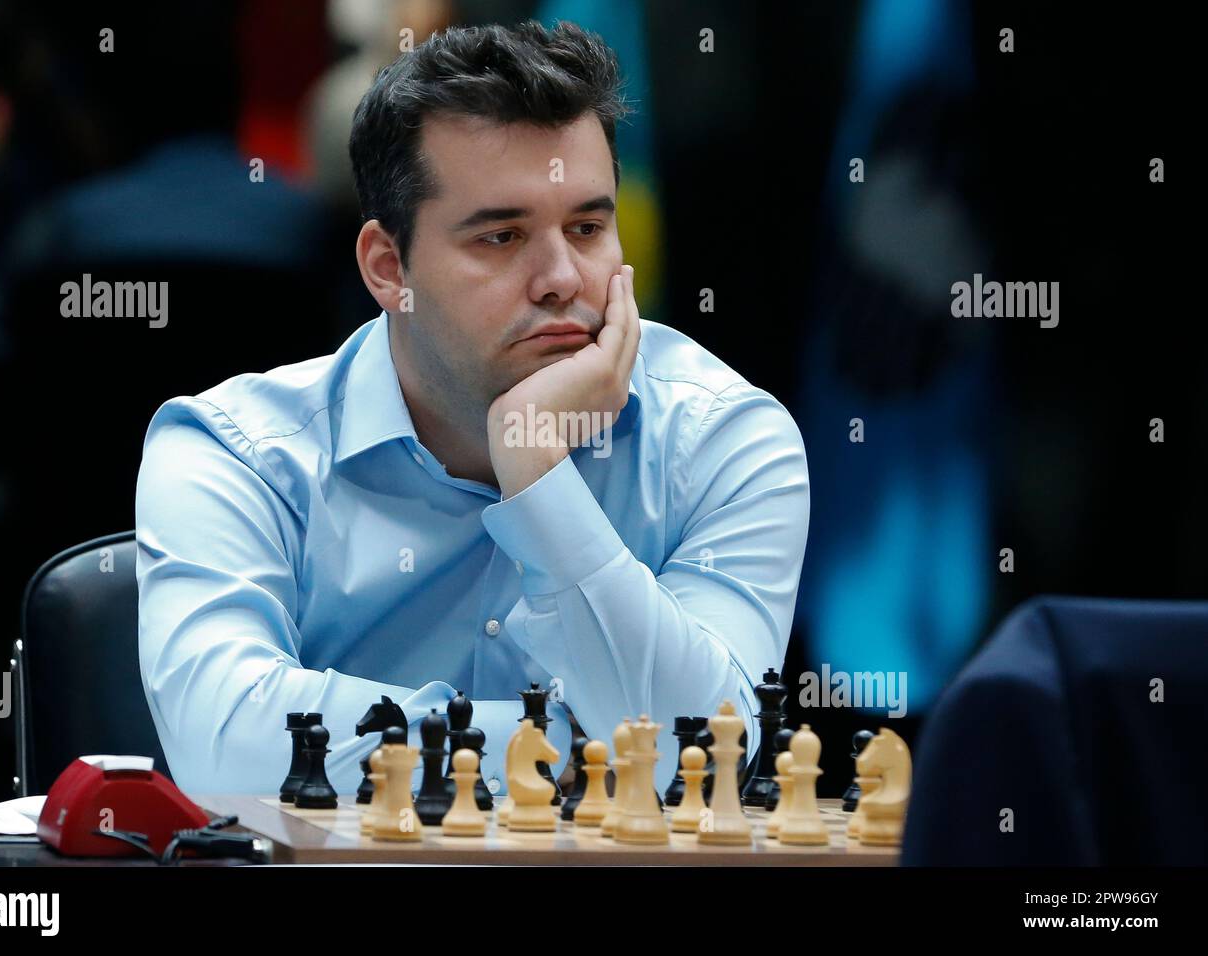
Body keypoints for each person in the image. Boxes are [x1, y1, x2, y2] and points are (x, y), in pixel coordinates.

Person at [136, 20, 809, 797]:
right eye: (501, 237)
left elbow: (694, 763)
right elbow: (228, 754)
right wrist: (574, 752)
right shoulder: (236, 455)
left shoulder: (724, 440)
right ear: (390, 269)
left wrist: (536, 473)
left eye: (588, 227)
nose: (562, 277)